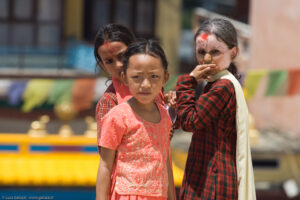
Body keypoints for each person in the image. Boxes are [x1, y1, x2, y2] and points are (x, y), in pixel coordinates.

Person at [175, 18, 256, 200]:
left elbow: (190, 122)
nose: (207, 59)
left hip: (213, 180)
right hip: (206, 174)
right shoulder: (214, 84)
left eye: (215, 52)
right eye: (201, 52)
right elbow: (188, 117)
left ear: (233, 52)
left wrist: (188, 82)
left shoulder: (222, 87)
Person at [96, 40, 176, 200]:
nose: (145, 84)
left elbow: (165, 160)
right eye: (137, 77)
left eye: (154, 76)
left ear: (165, 78)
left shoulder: (165, 116)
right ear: (125, 78)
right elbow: (105, 165)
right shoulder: (117, 116)